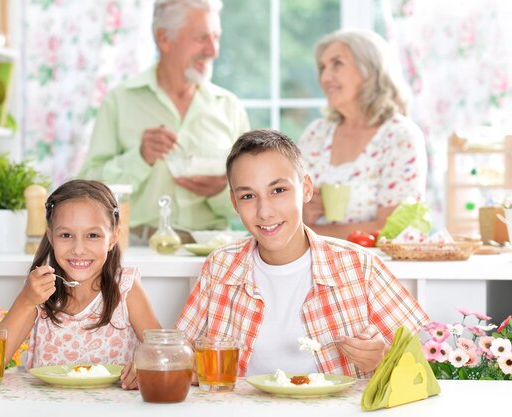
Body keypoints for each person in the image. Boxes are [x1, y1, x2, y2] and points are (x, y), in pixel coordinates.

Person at [176, 129, 429, 378]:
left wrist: (383, 358)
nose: (265, 211)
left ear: (306, 188)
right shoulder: (220, 266)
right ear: (234, 203)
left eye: (278, 191)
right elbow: (179, 356)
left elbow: (426, 365)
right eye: (248, 196)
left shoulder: (359, 266)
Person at [79, 0, 249, 241]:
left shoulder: (229, 106)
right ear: (163, 38)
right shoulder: (119, 101)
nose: (213, 51)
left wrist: (222, 190)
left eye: (216, 37)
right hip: (140, 251)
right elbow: (87, 192)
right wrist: (139, 158)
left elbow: (254, 197)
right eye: (201, 38)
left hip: (214, 252)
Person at [0, 179, 161, 390]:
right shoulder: (39, 292)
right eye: (66, 235)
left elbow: (164, 352)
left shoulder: (126, 288)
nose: (78, 249)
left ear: (113, 238)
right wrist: (26, 301)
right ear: (51, 237)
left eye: (92, 235)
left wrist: (146, 365)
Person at [297, 29, 427, 240]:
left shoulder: (400, 136)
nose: (325, 76)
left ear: (370, 71)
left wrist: (307, 234)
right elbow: (287, 213)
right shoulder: (316, 133)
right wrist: (302, 213)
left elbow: (392, 229)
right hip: (316, 266)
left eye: (337, 63)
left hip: (379, 269)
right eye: (322, 68)